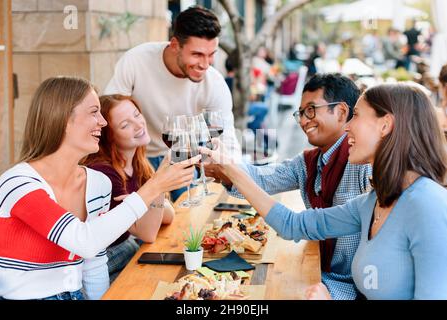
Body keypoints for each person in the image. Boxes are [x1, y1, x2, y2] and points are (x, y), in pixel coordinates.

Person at [201, 83, 447, 299]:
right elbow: (293, 225)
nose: (348, 127)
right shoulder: (373, 202)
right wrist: (231, 171)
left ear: (385, 125)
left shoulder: (428, 206)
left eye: (356, 116)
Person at [0, 76, 199, 300]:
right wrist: (155, 186)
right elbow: (84, 241)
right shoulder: (17, 183)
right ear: (64, 120)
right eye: (94, 112)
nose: (103, 122)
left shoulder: (97, 183)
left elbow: (94, 265)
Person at [206, 74, 372, 300]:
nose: (304, 121)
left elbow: (292, 225)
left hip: (348, 287)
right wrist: (224, 168)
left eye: (311, 110)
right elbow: (262, 177)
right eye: (301, 113)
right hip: (315, 270)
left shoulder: (364, 166)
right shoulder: (308, 162)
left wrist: (231, 171)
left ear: (342, 112)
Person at [104, 6, 241, 201]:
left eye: (211, 54)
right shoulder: (136, 60)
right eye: (197, 54)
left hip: (181, 156)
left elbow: (227, 137)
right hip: (137, 156)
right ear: (175, 44)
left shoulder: (214, 83)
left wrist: (237, 181)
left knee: (191, 210)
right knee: (141, 221)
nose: (205, 64)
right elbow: (109, 111)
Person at [83, 95, 176, 283]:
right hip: (106, 261)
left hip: (127, 248)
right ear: (109, 137)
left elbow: (167, 216)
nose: (138, 124)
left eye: (137, 115)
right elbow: (148, 233)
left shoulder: (137, 163)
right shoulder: (104, 173)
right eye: (125, 125)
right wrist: (157, 183)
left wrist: (145, 197)